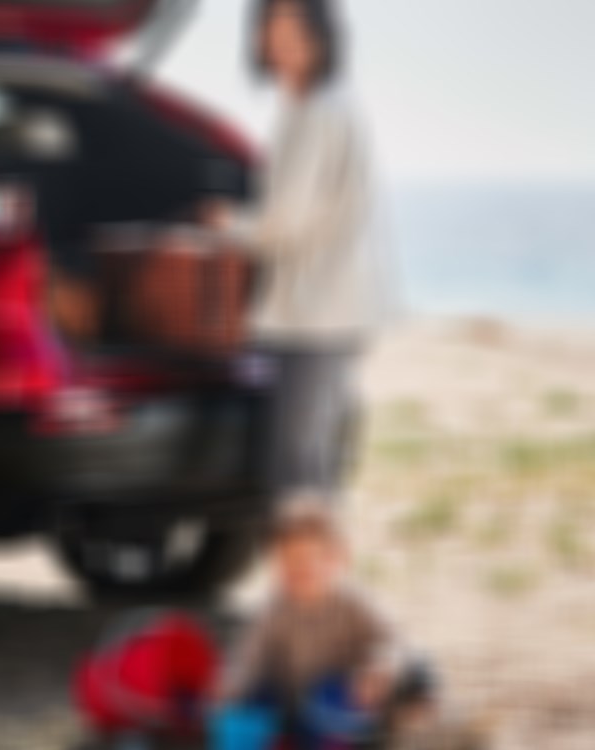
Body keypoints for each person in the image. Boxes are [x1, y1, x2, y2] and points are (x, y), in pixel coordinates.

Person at [206, 0, 395, 495]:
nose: (282, 45)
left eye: (296, 33)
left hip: (315, 313)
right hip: (329, 308)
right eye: (272, 32)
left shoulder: (319, 111)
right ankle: (312, 571)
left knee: (296, 468)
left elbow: (285, 221)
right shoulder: (322, 105)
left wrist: (228, 225)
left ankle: (309, 573)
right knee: (312, 461)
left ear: (324, 38)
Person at [214, 496, 434, 748]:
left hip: (340, 708)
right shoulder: (274, 608)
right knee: (245, 708)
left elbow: (396, 641)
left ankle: (409, 718)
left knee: (419, 667)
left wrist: (379, 670)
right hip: (289, 704)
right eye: (285, 563)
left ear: (336, 560)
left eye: (305, 562)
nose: (295, 572)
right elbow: (250, 655)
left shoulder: (353, 603)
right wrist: (231, 686)